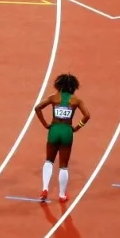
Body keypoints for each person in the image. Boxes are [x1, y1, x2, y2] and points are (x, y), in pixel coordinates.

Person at [33, 73, 90, 203]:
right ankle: (62, 195)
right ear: (73, 87)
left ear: (59, 85)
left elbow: (37, 108)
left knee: (49, 160)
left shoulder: (54, 98)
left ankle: (45, 189)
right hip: (67, 131)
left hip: (54, 129)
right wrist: (77, 127)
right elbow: (87, 115)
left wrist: (45, 124)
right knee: (63, 165)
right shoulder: (76, 100)